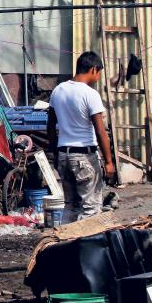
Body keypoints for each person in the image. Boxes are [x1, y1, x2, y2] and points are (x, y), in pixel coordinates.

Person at [47, 51, 115, 221]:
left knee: (70, 205)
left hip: (63, 154)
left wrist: (56, 154)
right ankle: (86, 245)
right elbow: (100, 130)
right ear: (93, 69)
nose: (99, 76)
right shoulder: (90, 94)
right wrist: (108, 161)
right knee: (91, 208)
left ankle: (64, 244)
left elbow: (49, 126)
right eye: (99, 72)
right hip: (84, 156)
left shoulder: (58, 90)